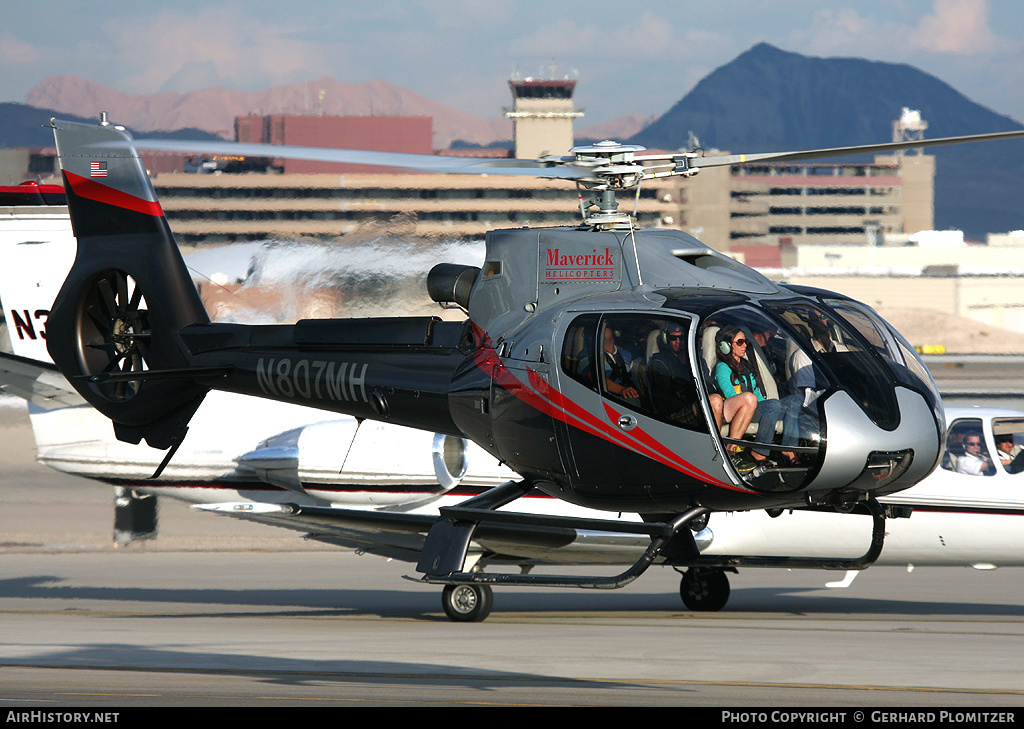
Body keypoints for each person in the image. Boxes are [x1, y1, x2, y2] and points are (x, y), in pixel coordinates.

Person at [714, 324, 797, 466]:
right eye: (739, 342)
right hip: (741, 410)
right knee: (773, 405)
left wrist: (766, 405)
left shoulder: (746, 365)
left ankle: (789, 448)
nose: (744, 345)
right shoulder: (723, 368)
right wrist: (768, 406)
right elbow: (730, 395)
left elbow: (756, 393)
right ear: (726, 346)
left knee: (794, 401)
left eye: (745, 341)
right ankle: (759, 452)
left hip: (755, 405)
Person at [601, 325, 640, 401]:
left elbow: (636, 377)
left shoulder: (627, 354)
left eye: (606, 326)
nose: (601, 329)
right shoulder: (589, 354)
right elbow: (595, 376)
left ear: (615, 331)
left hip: (627, 399)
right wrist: (622, 390)